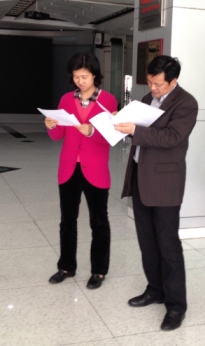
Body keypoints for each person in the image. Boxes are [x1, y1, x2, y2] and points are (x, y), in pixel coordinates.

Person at [115, 55, 198, 331]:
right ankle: (155, 289)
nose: (152, 88)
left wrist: (135, 130)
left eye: (158, 84)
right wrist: (121, 125)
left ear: (173, 81)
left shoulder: (186, 103)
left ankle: (176, 305)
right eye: (150, 82)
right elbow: (139, 131)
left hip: (165, 183)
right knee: (147, 241)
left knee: (168, 244)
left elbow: (171, 137)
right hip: (141, 177)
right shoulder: (146, 98)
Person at [45, 52, 117, 290]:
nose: (80, 81)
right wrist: (51, 125)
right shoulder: (66, 99)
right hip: (68, 167)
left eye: (84, 77)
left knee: (99, 221)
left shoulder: (108, 101)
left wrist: (92, 132)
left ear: (94, 75)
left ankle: (99, 270)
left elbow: (111, 137)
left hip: (95, 168)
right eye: (76, 77)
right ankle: (66, 266)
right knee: (67, 220)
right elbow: (58, 136)